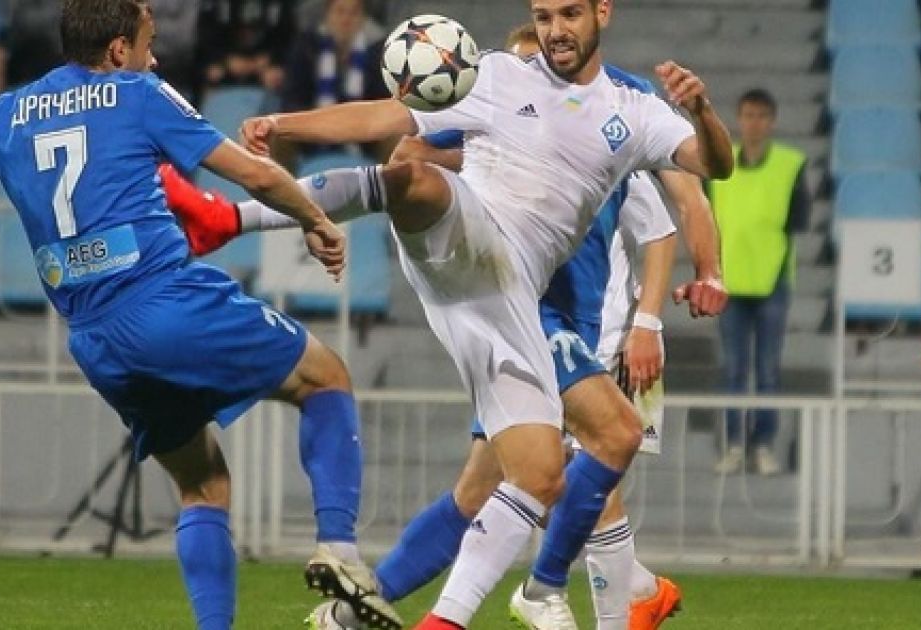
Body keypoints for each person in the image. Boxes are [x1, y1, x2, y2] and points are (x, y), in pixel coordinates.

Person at [0, 2, 400, 629]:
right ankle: (340, 548)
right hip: (164, 300)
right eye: (148, 44)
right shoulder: (137, 94)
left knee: (202, 485)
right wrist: (313, 220)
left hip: (96, 342)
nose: (153, 59)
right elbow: (253, 175)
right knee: (325, 377)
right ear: (117, 50)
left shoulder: (4, 114)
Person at [219, 1, 733, 626]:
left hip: (537, 311)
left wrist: (663, 306)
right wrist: (286, 126)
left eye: (568, 15)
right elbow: (397, 129)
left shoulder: (629, 116)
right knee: (607, 441)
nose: (553, 32)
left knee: (508, 482)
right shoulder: (495, 80)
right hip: (519, 296)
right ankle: (547, 591)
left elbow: (697, 187)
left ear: (602, 12)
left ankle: (355, 615)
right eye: (542, 17)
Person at [710, 88, 809, 477]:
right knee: (734, 368)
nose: (754, 123)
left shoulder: (790, 166)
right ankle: (735, 444)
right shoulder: (719, 165)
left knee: (768, 370)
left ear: (772, 121)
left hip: (772, 280)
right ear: (739, 119)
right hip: (729, 282)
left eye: (762, 116)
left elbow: (798, 220)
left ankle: (763, 444)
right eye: (749, 115)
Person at [279, 0, 389, 160]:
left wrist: (354, 125)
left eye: (353, 13)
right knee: (277, 134)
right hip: (310, 131)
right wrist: (318, 125)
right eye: (340, 12)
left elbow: (383, 102)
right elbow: (292, 98)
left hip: (365, 135)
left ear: (363, 18)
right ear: (327, 15)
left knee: (397, 135)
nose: (346, 19)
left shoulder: (378, 51)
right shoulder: (307, 46)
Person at [197, 0, 297, 92]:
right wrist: (224, 59)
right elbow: (205, 37)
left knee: (279, 76)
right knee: (213, 73)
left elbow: (289, 36)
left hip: (268, 66)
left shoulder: (282, 5)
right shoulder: (216, 5)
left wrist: (273, 60)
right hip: (226, 64)